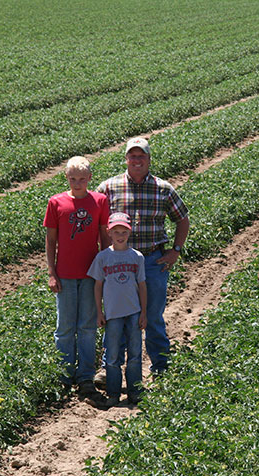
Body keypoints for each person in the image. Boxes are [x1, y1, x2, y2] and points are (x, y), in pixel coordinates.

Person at [95, 137, 190, 381]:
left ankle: (160, 366)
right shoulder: (108, 187)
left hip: (152, 261)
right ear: (126, 159)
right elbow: (96, 221)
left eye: (142, 156)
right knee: (117, 314)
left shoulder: (163, 188)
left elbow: (182, 218)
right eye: (132, 156)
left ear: (149, 159)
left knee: (153, 315)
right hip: (118, 263)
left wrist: (175, 250)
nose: (137, 160)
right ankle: (109, 368)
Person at [44, 156, 109, 408]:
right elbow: (51, 241)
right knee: (64, 327)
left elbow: (104, 237)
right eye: (73, 179)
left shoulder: (99, 201)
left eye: (82, 179)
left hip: (91, 274)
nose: (78, 183)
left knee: (87, 326)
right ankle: (64, 375)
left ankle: (85, 377)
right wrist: (52, 272)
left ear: (90, 179)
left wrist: (105, 270)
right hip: (65, 274)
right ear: (66, 178)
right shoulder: (56, 202)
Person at [87, 212, 147, 407]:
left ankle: (135, 392)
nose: (120, 235)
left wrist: (144, 312)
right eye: (116, 232)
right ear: (108, 233)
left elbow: (142, 286)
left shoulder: (136, 256)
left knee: (135, 354)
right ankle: (113, 393)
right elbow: (97, 286)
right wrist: (99, 311)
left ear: (130, 232)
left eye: (123, 231)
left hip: (134, 312)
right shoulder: (103, 257)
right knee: (112, 356)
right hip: (112, 314)